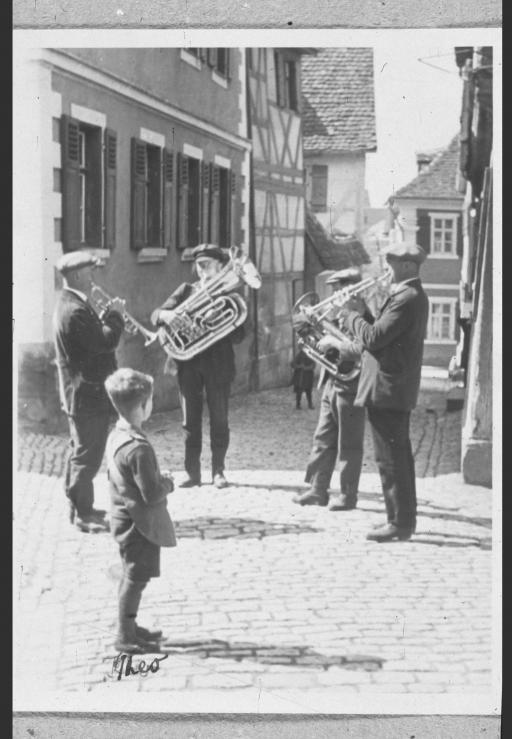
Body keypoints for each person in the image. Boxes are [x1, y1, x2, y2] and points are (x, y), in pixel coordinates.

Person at [339, 242, 429, 542]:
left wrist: (351, 315)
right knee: (396, 457)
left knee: (390, 459)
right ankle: (402, 520)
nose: (386, 271)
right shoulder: (408, 295)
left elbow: (375, 338)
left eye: (389, 264)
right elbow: (381, 332)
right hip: (390, 388)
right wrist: (363, 311)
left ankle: (399, 523)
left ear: (405, 266)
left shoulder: (407, 297)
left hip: (388, 389)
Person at [151, 244, 245, 489]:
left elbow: (241, 333)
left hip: (218, 365)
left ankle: (218, 471)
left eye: (208, 265)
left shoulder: (229, 293)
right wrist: (167, 316)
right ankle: (192, 473)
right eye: (200, 265)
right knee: (190, 422)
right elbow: (155, 314)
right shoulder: (186, 290)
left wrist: (218, 322)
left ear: (219, 267)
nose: (203, 270)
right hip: (189, 364)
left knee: (219, 419)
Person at [105, 368, 176, 654]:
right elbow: (151, 494)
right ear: (143, 406)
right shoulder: (138, 449)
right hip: (138, 525)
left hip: (124, 520)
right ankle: (124, 635)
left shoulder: (118, 434)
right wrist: (167, 483)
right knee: (135, 579)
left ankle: (131, 627)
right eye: (151, 400)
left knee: (132, 576)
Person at [53, 251, 125, 533]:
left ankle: (80, 506)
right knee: (88, 455)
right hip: (87, 395)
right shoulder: (75, 310)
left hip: (82, 393)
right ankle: (83, 514)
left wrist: (106, 317)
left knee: (80, 451)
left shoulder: (71, 303)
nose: (94, 279)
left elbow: (92, 338)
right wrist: (116, 316)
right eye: (90, 273)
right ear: (80, 275)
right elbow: (104, 342)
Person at [292, 268, 366, 512]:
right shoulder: (337, 316)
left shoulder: (365, 318)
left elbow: (362, 350)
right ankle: (317, 489)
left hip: (353, 385)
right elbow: (313, 338)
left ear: (353, 290)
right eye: (334, 290)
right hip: (332, 382)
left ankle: (347, 495)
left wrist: (334, 342)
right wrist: (308, 324)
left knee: (350, 444)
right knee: (322, 438)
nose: (334, 296)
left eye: (339, 290)